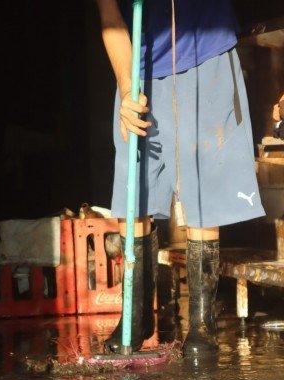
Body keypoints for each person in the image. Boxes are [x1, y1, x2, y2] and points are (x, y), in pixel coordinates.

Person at [95, 0, 265, 355]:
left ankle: (202, 323)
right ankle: (136, 317)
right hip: (139, 72)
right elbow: (110, 17)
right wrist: (127, 90)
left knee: (206, 187)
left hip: (206, 55)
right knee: (135, 191)